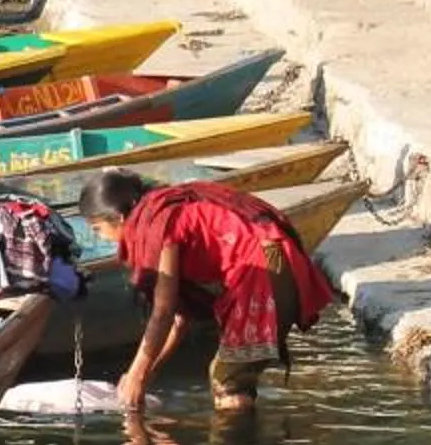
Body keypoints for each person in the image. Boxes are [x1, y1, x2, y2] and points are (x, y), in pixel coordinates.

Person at [80, 170, 337, 414]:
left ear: (120, 217)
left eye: (98, 229)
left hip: (261, 269)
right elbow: (179, 319)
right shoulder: (163, 211)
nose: (103, 239)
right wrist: (146, 372)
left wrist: (137, 375)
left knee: (227, 382)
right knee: (233, 376)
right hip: (276, 259)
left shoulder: (158, 224)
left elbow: (163, 311)